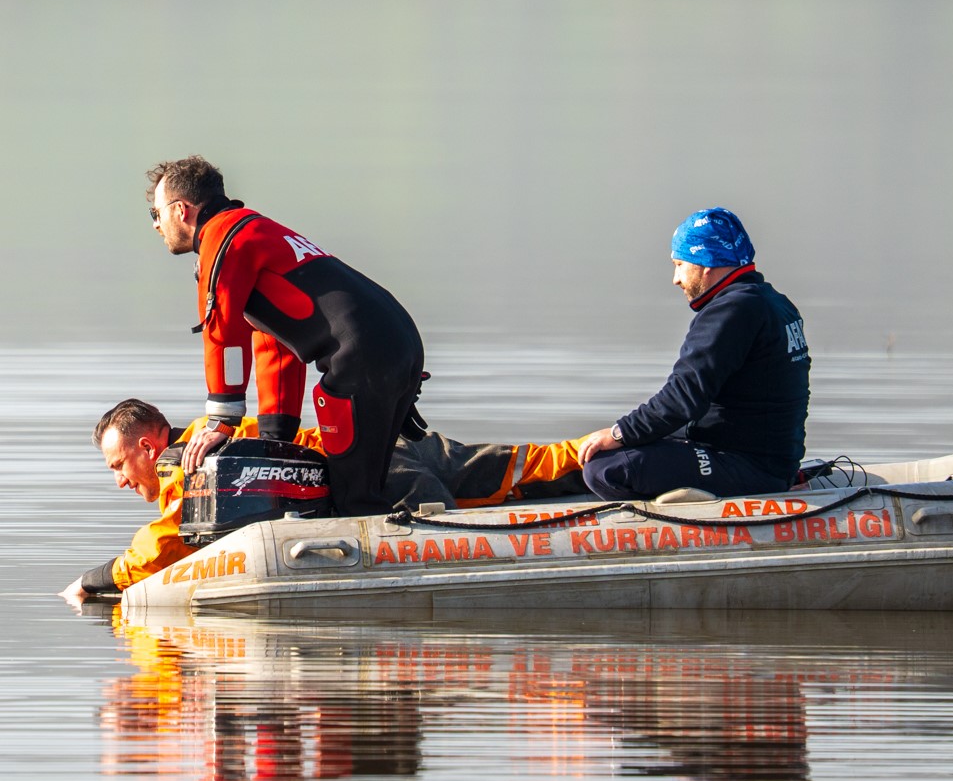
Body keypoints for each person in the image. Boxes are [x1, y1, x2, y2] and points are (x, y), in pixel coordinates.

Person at [62, 397, 596, 606]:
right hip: (386, 442)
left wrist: (93, 579)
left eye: (118, 466)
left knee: (502, 484)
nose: (120, 481)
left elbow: (161, 547)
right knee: (528, 466)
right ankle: (622, 447)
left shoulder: (186, 461)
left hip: (381, 479)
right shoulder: (211, 431)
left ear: (148, 447)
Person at [145, 155, 426, 515]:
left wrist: (222, 421)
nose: (156, 226)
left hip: (362, 355)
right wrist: (275, 436)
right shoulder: (255, 229)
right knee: (364, 485)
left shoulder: (222, 238)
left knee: (356, 501)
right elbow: (275, 344)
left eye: (156, 214)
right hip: (394, 340)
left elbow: (223, 334)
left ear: (181, 210)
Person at [576, 207, 810, 502]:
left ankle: (680, 523)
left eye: (679, 264)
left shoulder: (731, 310)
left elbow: (683, 397)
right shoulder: (775, 303)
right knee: (602, 449)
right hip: (771, 460)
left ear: (706, 263)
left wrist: (620, 433)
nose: (676, 278)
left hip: (749, 466)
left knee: (604, 469)